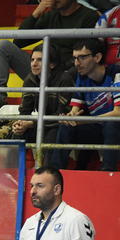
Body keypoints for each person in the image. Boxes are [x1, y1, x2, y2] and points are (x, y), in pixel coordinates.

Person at [0, 0, 98, 115]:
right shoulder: (51, 16)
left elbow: (87, 57)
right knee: (2, 47)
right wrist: (37, 12)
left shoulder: (89, 16)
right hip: (44, 70)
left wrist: (62, 76)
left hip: (68, 75)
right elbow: (19, 41)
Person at [51, 39, 120, 171]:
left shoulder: (116, 73)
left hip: (116, 129)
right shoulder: (81, 77)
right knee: (66, 126)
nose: (77, 63)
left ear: (97, 57)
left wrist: (83, 120)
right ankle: (55, 171)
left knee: (111, 124)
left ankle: (107, 172)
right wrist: (70, 117)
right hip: (98, 128)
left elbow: (118, 113)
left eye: (82, 57)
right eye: (75, 58)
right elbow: (75, 110)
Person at [11, 44, 73, 151]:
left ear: (52, 64)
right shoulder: (30, 80)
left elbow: (62, 116)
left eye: (40, 60)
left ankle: (47, 162)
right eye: (32, 60)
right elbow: (25, 110)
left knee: (53, 135)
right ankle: (14, 162)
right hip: (39, 124)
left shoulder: (64, 79)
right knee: (17, 134)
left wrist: (32, 123)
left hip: (57, 125)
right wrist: (20, 124)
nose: (34, 64)